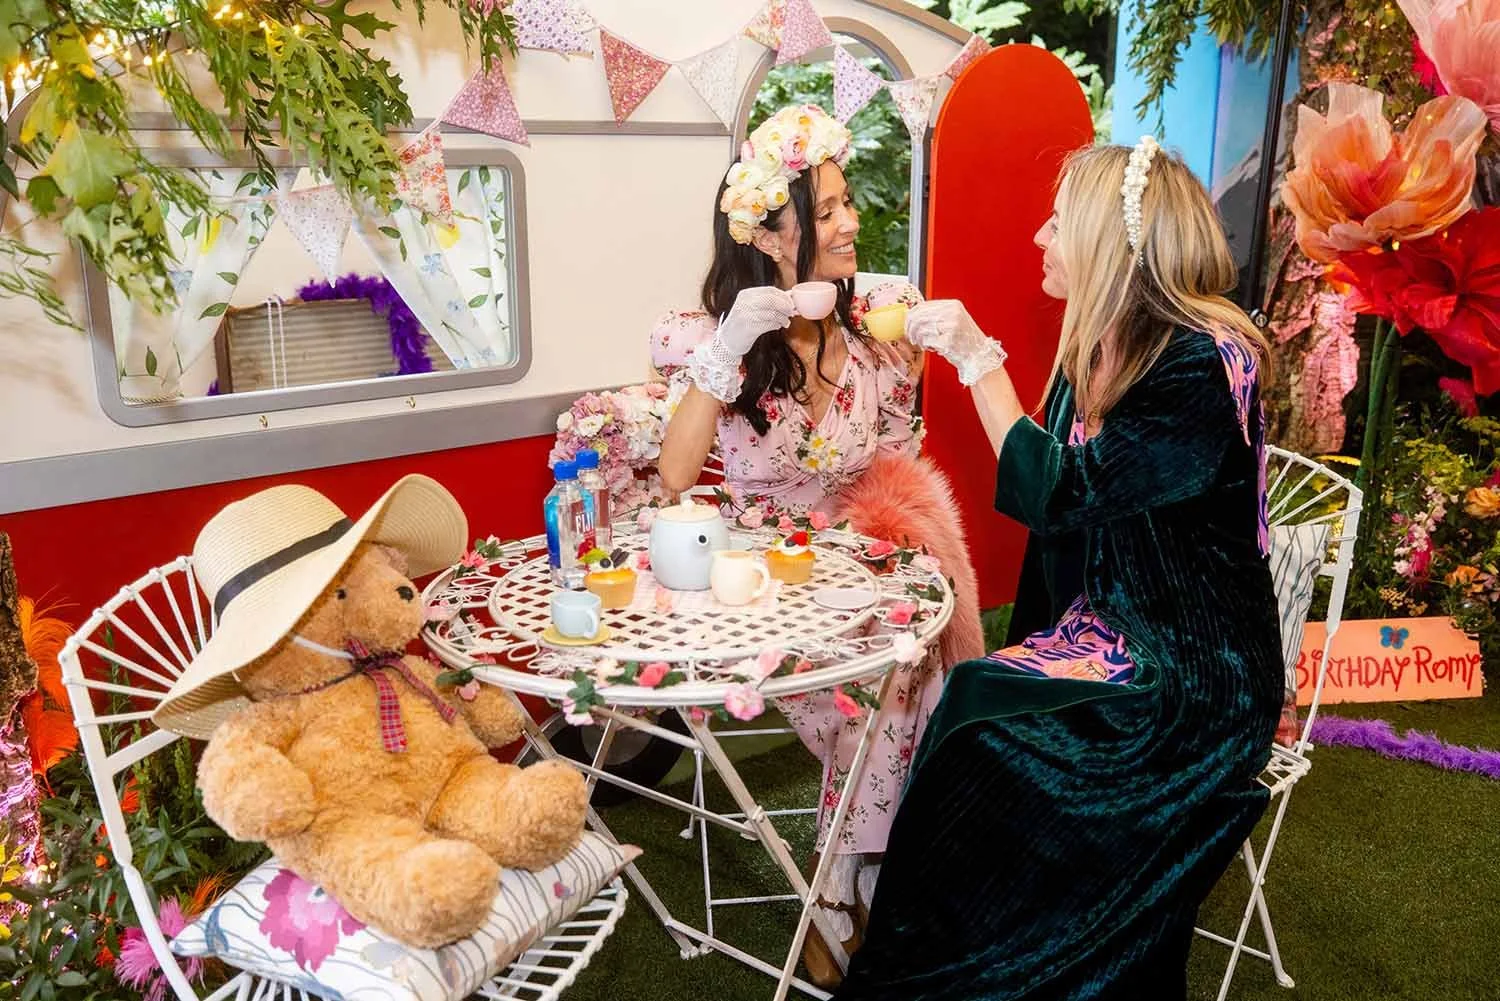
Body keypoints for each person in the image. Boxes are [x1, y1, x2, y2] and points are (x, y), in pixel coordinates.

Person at [835, 138, 1284, 1000]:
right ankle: (934, 958)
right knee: (972, 695)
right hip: (1122, 634)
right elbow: (1066, 545)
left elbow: (1060, 494)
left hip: (1197, 679)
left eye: (1056, 222)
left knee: (991, 739)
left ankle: (998, 967)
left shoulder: (1199, 365)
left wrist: (979, 360)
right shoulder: (1107, 351)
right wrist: (1036, 647)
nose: (1040, 237)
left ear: (1107, 245)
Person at [649, 103, 981, 988]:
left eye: (847, 203)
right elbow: (675, 472)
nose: (850, 223)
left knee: (915, 666)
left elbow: (899, 460)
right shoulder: (717, 337)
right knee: (879, 692)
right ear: (771, 233)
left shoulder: (876, 327)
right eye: (826, 209)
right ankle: (857, 890)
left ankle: (849, 887)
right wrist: (732, 341)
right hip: (762, 587)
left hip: (859, 571)